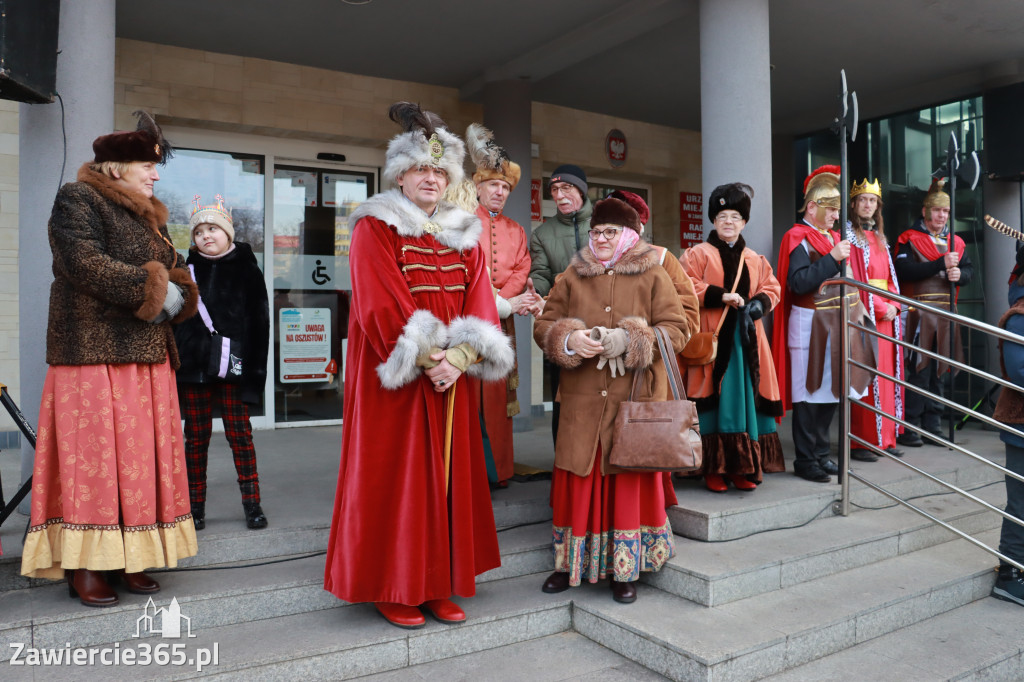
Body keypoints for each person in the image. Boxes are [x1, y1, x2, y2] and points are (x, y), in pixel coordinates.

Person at [323, 102, 514, 630]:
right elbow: (380, 305)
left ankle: (437, 584)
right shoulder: (375, 226)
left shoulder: (463, 232)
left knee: (447, 483)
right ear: (401, 176)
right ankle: (395, 585)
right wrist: (430, 357)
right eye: (419, 170)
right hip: (399, 378)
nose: (429, 178)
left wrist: (462, 356)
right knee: (400, 482)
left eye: (438, 171)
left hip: (452, 377)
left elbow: (480, 301)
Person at [20, 111, 199, 607]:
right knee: (95, 463)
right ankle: (85, 565)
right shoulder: (78, 198)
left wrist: (180, 293)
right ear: (117, 165)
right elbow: (81, 262)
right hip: (92, 354)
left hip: (146, 355)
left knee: (139, 464)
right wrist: (152, 289)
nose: (156, 174)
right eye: (148, 164)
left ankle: (128, 557)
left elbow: (178, 269)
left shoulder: (150, 214)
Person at [533, 196, 687, 604]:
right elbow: (544, 324)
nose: (600, 239)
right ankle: (568, 565)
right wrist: (568, 338)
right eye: (596, 232)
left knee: (626, 484)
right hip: (583, 401)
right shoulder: (572, 274)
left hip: (631, 403)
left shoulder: (654, 273)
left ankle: (625, 569)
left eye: (610, 232)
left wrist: (631, 339)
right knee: (579, 481)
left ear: (629, 235)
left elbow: (678, 328)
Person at [772, 165, 875, 483]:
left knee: (832, 390)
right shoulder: (797, 237)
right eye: (830, 209)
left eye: (836, 210)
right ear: (813, 207)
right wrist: (832, 258)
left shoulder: (832, 237)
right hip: (809, 322)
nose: (835, 216)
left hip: (836, 323)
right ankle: (805, 459)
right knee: (808, 391)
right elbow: (799, 283)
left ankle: (820, 454)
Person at [173, 195, 270, 531]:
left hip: (233, 368)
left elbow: (260, 326)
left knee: (240, 435)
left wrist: (255, 381)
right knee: (195, 438)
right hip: (193, 369)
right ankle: (194, 506)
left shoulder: (247, 271)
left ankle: (252, 503)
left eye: (213, 228)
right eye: (199, 231)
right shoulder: (184, 271)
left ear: (228, 232)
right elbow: (174, 321)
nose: (206, 235)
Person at [681, 183, 784, 492]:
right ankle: (712, 469)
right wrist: (719, 296)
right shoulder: (697, 254)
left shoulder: (755, 258)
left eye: (735, 216)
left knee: (744, 402)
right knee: (711, 403)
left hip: (746, 343)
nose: (729, 222)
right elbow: (683, 286)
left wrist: (755, 305)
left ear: (744, 222)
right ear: (714, 220)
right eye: (723, 215)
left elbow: (772, 289)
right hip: (711, 341)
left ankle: (742, 467)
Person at [464, 123, 536, 486]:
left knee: (496, 400)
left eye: (505, 188)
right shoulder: (462, 222)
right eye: (493, 185)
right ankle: (470, 471)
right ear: (478, 186)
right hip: (466, 322)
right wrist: (500, 302)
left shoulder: (517, 230)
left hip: (501, 326)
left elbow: (523, 267)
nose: (499, 192)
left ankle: (498, 472)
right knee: (469, 400)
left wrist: (503, 300)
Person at [894, 179, 973, 446]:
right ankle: (910, 426)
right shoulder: (908, 238)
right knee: (918, 370)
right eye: (938, 210)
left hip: (946, 312)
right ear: (926, 211)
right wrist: (940, 263)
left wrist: (960, 274)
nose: (942, 215)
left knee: (940, 370)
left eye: (946, 212)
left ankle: (933, 424)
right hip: (917, 311)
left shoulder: (957, 242)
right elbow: (903, 271)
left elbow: (969, 272)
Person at [529, 164, 593, 445]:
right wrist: (536, 291)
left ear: (580, 190)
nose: (559, 194)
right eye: (554, 189)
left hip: (606, 324)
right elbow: (540, 274)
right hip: (564, 330)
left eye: (566, 187)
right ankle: (564, 469)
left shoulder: (605, 225)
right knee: (563, 400)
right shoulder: (543, 234)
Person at [845, 179, 904, 461]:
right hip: (866, 315)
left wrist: (894, 305)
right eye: (863, 200)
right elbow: (856, 280)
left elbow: (891, 280)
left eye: (872, 201)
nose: (867, 205)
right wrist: (881, 306)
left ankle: (887, 438)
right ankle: (863, 441)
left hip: (886, 316)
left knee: (888, 378)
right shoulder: (850, 238)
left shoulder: (881, 238)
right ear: (854, 204)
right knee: (867, 375)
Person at [990, 246, 1024, 608]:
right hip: (1020, 421)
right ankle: (1008, 574)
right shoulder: (1018, 316)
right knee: (1021, 504)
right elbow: (1019, 372)